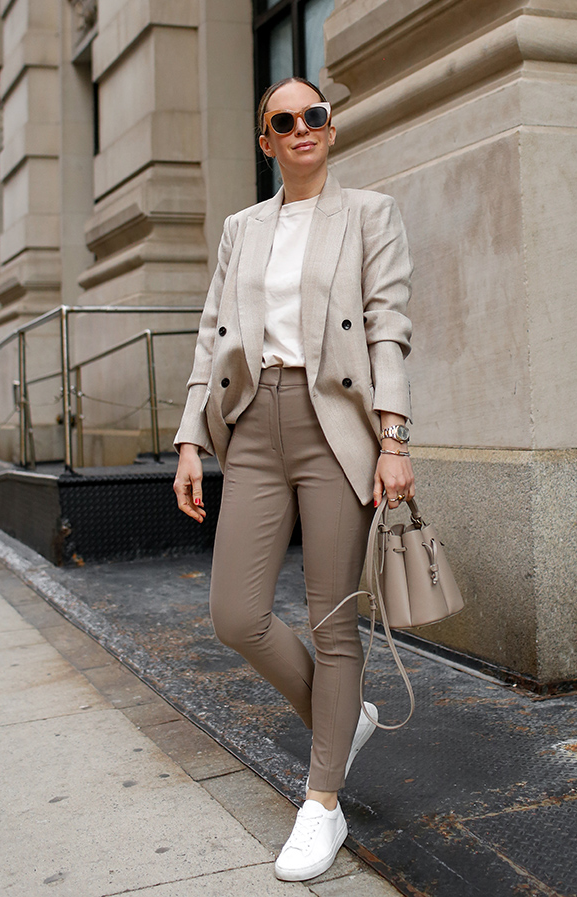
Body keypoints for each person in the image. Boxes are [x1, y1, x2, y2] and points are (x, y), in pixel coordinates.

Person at [173, 76, 414, 882]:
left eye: (314, 114)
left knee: (332, 621)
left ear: (331, 129)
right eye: (284, 119)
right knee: (235, 613)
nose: (302, 126)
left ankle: (322, 801)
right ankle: (345, 719)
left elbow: (389, 328)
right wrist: (186, 440)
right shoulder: (242, 229)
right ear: (266, 139)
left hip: (334, 427)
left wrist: (393, 438)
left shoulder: (369, 213)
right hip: (251, 426)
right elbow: (213, 334)